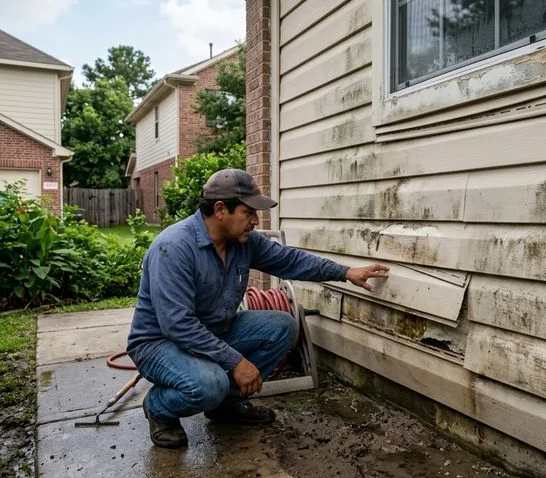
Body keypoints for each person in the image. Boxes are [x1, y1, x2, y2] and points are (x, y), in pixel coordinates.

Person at [127, 168, 389, 448]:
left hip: (212, 333)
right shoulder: (174, 247)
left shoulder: (244, 242)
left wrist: (346, 272)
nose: (256, 220)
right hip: (160, 344)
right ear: (220, 209)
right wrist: (236, 362)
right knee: (209, 384)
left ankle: (225, 405)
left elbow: (290, 261)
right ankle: (159, 408)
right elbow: (177, 325)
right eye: (248, 212)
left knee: (282, 326)